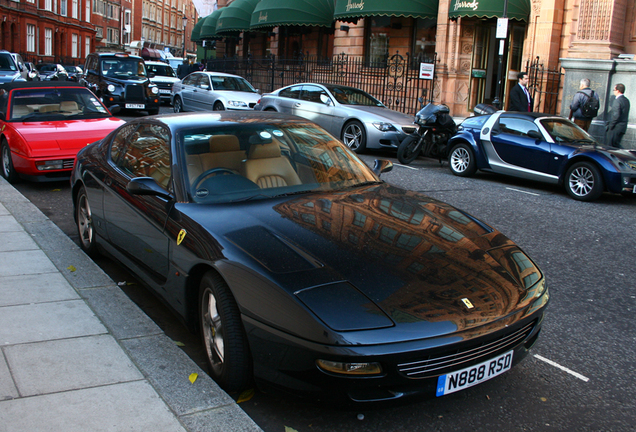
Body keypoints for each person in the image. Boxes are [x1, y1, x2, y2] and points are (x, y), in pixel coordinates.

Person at [605, 83, 630, 148]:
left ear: (618, 91)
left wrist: (610, 126)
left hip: (615, 127)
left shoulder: (617, 101)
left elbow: (616, 115)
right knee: (616, 145)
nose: (614, 91)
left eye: (614, 90)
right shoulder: (626, 100)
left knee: (611, 147)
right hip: (622, 127)